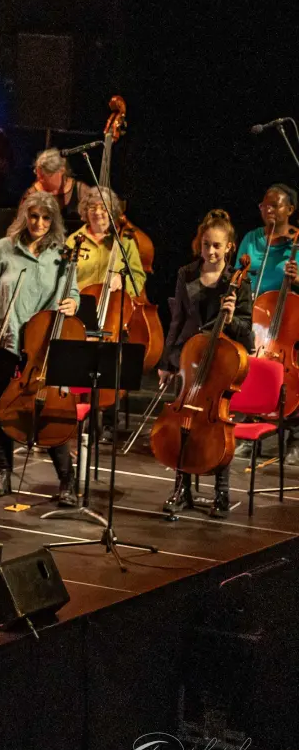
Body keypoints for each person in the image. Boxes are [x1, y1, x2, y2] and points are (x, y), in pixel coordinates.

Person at [0, 191, 81, 504]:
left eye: (46, 218)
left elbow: (72, 292)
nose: (39, 223)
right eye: (33, 216)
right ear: (24, 216)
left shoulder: (62, 254)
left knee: (47, 407)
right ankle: (2, 472)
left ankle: (67, 482)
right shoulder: (3, 249)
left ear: (54, 220)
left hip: (43, 344)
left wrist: (73, 303)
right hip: (4, 338)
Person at [158, 210, 252, 519]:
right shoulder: (186, 273)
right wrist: (167, 362)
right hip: (189, 356)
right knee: (184, 423)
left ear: (229, 247)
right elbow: (178, 320)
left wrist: (231, 315)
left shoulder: (236, 281)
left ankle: (221, 493)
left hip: (222, 363)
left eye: (217, 246)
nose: (210, 251)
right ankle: (181, 488)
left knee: (217, 425)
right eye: (206, 245)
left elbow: (247, 331)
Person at [66, 186, 146, 296]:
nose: (98, 212)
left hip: (114, 306)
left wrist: (124, 282)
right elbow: (62, 279)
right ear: (85, 211)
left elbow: (138, 277)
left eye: (104, 208)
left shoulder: (125, 241)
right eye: (92, 208)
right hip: (80, 306)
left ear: (112, 211)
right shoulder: (73, 241)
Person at [236, 183, 298, 297]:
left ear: (290, 209)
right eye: (264, 205)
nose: (268, 210)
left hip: (284, 309)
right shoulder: (250, 238)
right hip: (249, 307)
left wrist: (297, 279)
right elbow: (237, 276)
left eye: (274, 205)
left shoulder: (296, 241)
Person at [26, 148, 89, 237]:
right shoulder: (32, 192)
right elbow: (20, 224)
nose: (39, 180)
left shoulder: (81, 191)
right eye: (38, 175)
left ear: (61, 171)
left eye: (43, 176)